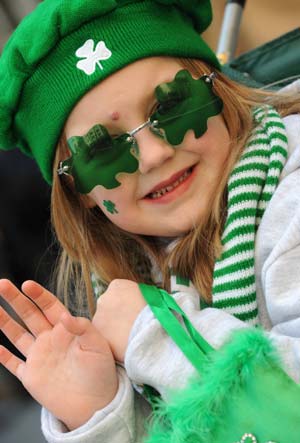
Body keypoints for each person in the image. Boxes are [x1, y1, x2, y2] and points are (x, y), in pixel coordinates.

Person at [0, 1, 300, 442]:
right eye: (104, 150)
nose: (156, 154)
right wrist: (99, 412)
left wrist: (155, 332)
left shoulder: (292, 198)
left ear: (218, 91)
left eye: (173, 103)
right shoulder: (121, 286)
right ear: (79, 192)